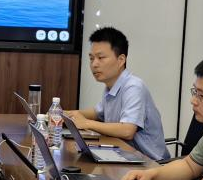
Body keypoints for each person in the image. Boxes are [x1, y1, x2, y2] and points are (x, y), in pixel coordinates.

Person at [64, 26, 168, 163]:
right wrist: (67, 115)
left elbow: (127, 130)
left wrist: (86, 123)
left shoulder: (133, 87)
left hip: (149, 162)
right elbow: (98, 113)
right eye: (91, 58)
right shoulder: (111, 85)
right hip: (123, 155)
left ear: (121, 60)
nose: (94, 64)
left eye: (101, 58)